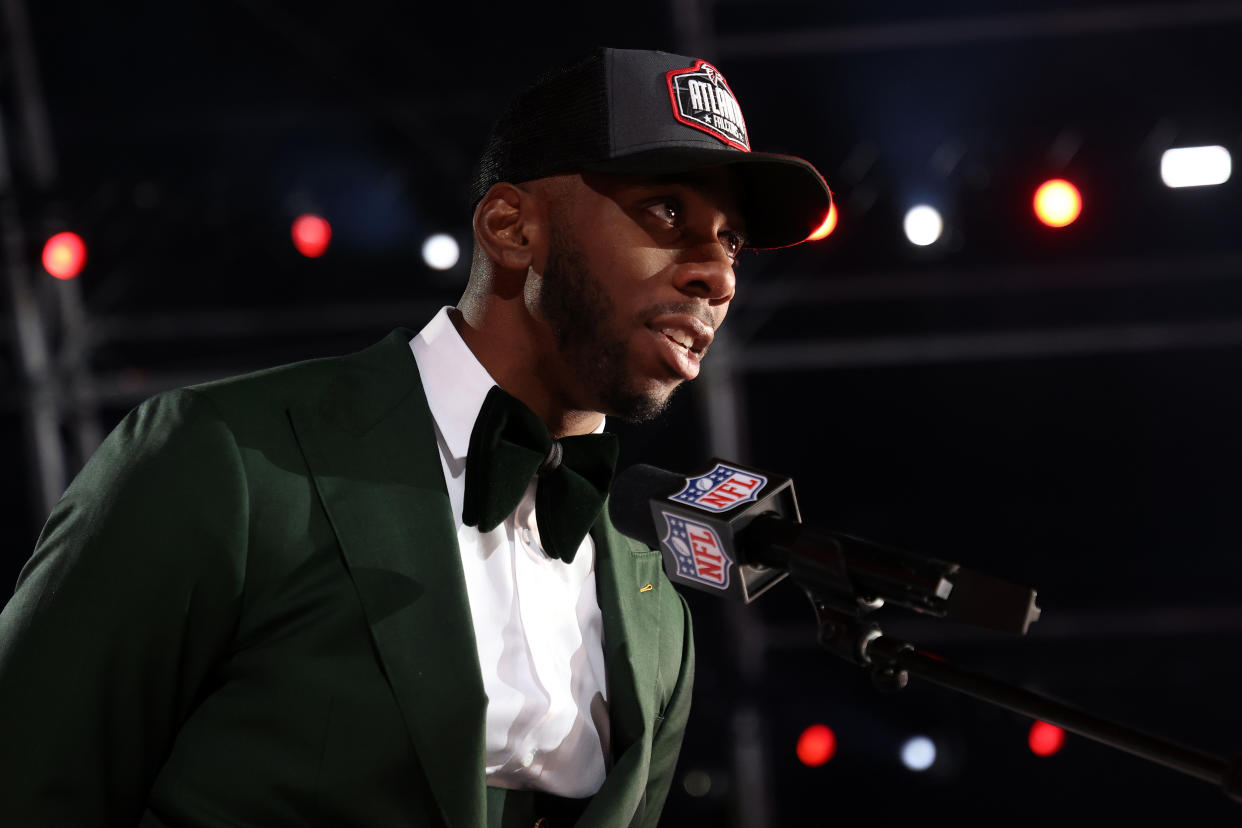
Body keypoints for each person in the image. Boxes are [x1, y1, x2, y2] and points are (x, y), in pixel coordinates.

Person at [0, 47, 831, 827]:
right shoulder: (230, 459)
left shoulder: (656, 607)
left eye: (731, 241)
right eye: (666, 209)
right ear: (512, 228)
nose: (718, 275)